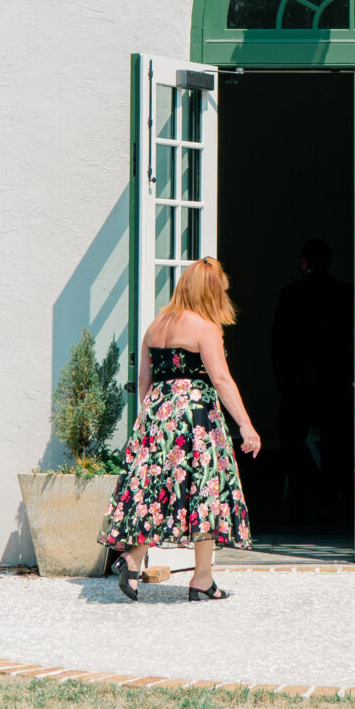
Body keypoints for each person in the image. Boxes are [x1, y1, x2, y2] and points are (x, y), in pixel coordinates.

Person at [102, 256, 262, 602]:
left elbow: (144, 378)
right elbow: (220, 378)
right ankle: (201, 578)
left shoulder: (156, 325)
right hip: (196, 420)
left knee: (157, 490)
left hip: (157, 413)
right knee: (205, 491)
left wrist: (149, 418)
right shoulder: (205, 327)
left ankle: (133, 558)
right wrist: (246, 425)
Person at [270, 239, 353, 532]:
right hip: (335, 381)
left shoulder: (291, 294)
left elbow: (278, 339)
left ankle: (301, 496)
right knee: (335, 443)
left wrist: (281, 375)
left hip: (298, 381)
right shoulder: (345, 293)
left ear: (304, 262)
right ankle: (330, 500)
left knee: (291, 439)